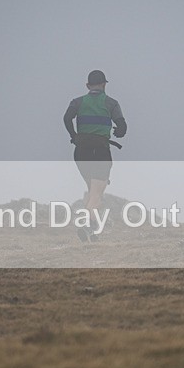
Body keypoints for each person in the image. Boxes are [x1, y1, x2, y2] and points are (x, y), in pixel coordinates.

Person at [63, 70, 127, 241]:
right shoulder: (111, 103)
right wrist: (118, 132)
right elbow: (122, 127)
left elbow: (67, 118)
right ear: (104, 85)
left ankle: (92, 230)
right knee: (96, 194)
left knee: (93, 192)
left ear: (87, 86)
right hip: (100, 150)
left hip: (81, 151)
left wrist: (74, 136)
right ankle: (86, 226)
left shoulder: (77, 102)